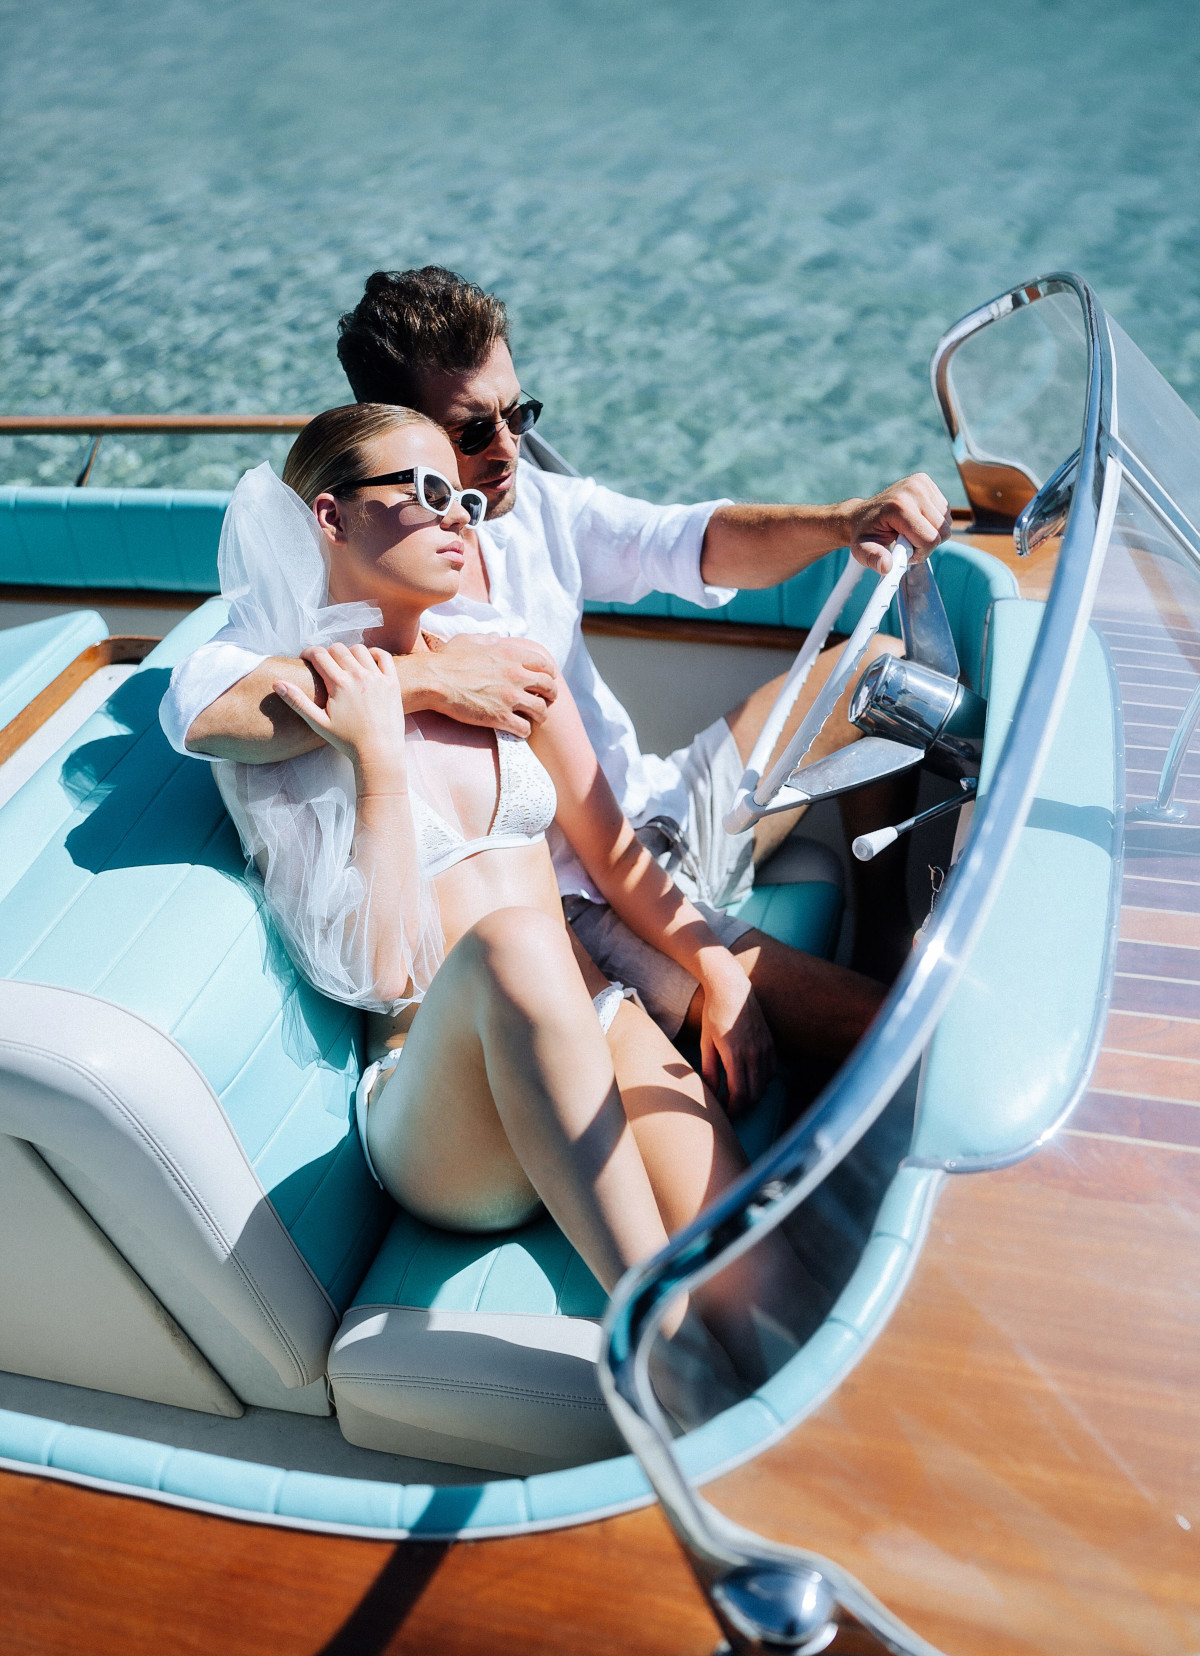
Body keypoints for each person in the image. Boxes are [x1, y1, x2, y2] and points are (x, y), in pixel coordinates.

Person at [163, 266, 951, 1050]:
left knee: (877, 672)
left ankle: (881, 929)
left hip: (657, 809)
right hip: (580, 901)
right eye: (473, 431)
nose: (508, 448)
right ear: (409, 433)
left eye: (519, 413)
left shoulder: (532, 505)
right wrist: (426, 679)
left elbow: (687, 542)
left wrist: (844, 520)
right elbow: (205, 708)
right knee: (886, 1035)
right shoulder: (343, 587)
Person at [210, 401, 813, 1390]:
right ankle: (660, 1353)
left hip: (596, 1022)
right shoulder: (315, 707)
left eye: (464, 496)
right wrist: (374, 757)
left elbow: (616, 857)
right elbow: (383, 970)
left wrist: (710, 958)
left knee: (767, 1283)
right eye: (428, 493)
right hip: (444, 1102)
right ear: (331, 518)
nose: (461, 515)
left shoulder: (512, 667)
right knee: (520, 944)